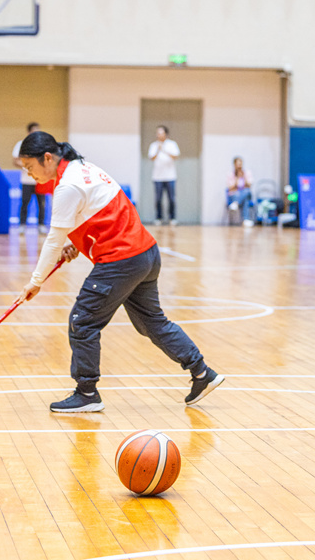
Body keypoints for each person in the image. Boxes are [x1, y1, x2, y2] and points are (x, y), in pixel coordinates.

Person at [14, 131, 224, 412]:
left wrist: (35, 282)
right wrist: (75, 242)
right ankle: (202, 373)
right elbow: (96, 214)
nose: (29, 174)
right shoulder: (84, 168)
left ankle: (87, 393)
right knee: (151, 322)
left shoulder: (68, 186)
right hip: (146, 254)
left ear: (48, 158)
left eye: (30, 167)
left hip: (121, 261)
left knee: (83, 321)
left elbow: (53, 238)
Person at [13, 122, 47, 234]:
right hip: (27, 179)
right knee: (25, 202)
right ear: (29, 132)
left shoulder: (43, 145)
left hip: (40, 179)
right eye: (34, 130)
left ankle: (41, 225)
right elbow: (15, 160)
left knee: (41, 204)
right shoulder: (21, 144)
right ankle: (22, 225)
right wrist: (27, 165)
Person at [148, 125, 180, 226]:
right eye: (157, 133)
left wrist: (164, 149)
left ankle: (172, 218)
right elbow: (152, 157)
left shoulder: (172, 144)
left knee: (171, 198)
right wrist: (158, 149)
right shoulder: (154, 145)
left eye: (161, 133)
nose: (159, 135)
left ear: (166, 134)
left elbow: (175, 156)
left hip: (170, 176)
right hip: (157, 177)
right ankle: (158, 217)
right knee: (158, 199)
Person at [227, 156, 255, 227]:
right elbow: (230, 188)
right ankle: (245, 219)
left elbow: (249, 185)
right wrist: (237, 179)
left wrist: (244, 177)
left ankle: (236, 202)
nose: (239, 166)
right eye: (238, 164)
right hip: (235, 194)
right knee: (245, 200)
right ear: (234, 165)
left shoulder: (247, 173)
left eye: (240, 164)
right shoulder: (231, 175)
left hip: (245, 193)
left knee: (246, 191)